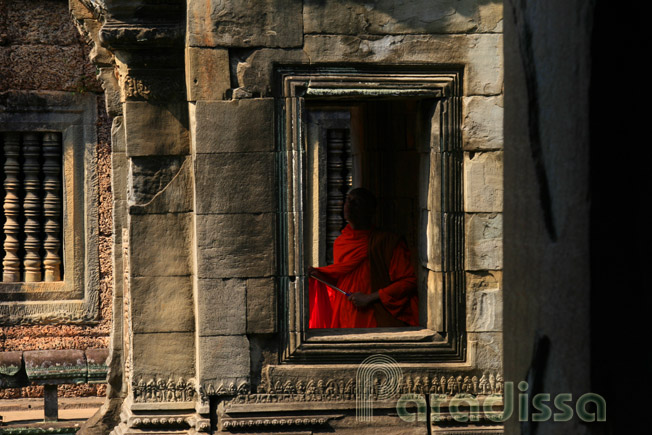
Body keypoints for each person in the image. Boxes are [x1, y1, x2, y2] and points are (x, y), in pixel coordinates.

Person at [308, 188, 419, 328]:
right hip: (344, 314)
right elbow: (342, 282)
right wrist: (318, 275)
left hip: (374, 315)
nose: (350, 205)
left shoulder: (386, 242)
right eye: (348, 200)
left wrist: (370, 297)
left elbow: (409, 281)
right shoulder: (342, 242)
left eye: (357, 202)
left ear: (370, 210)